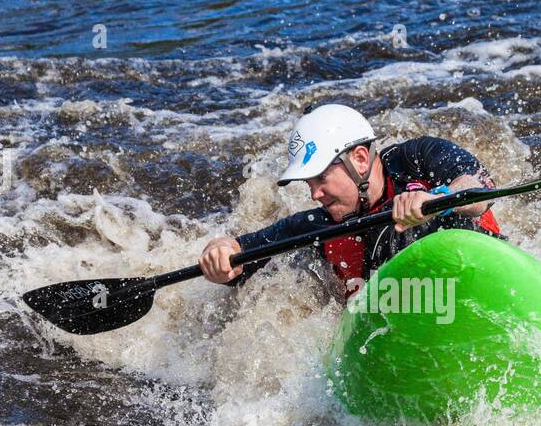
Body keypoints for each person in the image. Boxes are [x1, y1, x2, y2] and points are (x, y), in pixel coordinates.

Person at [198, 104, 503, 294]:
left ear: (359, 159)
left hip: (476, 279)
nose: (314, 194)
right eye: (309, 182)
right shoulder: (323, 224)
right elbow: (241, 251)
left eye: (321, 178)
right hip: (412, 309)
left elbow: (480, 190)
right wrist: (220, 252)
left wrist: (437, 199)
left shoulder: (418, 159)